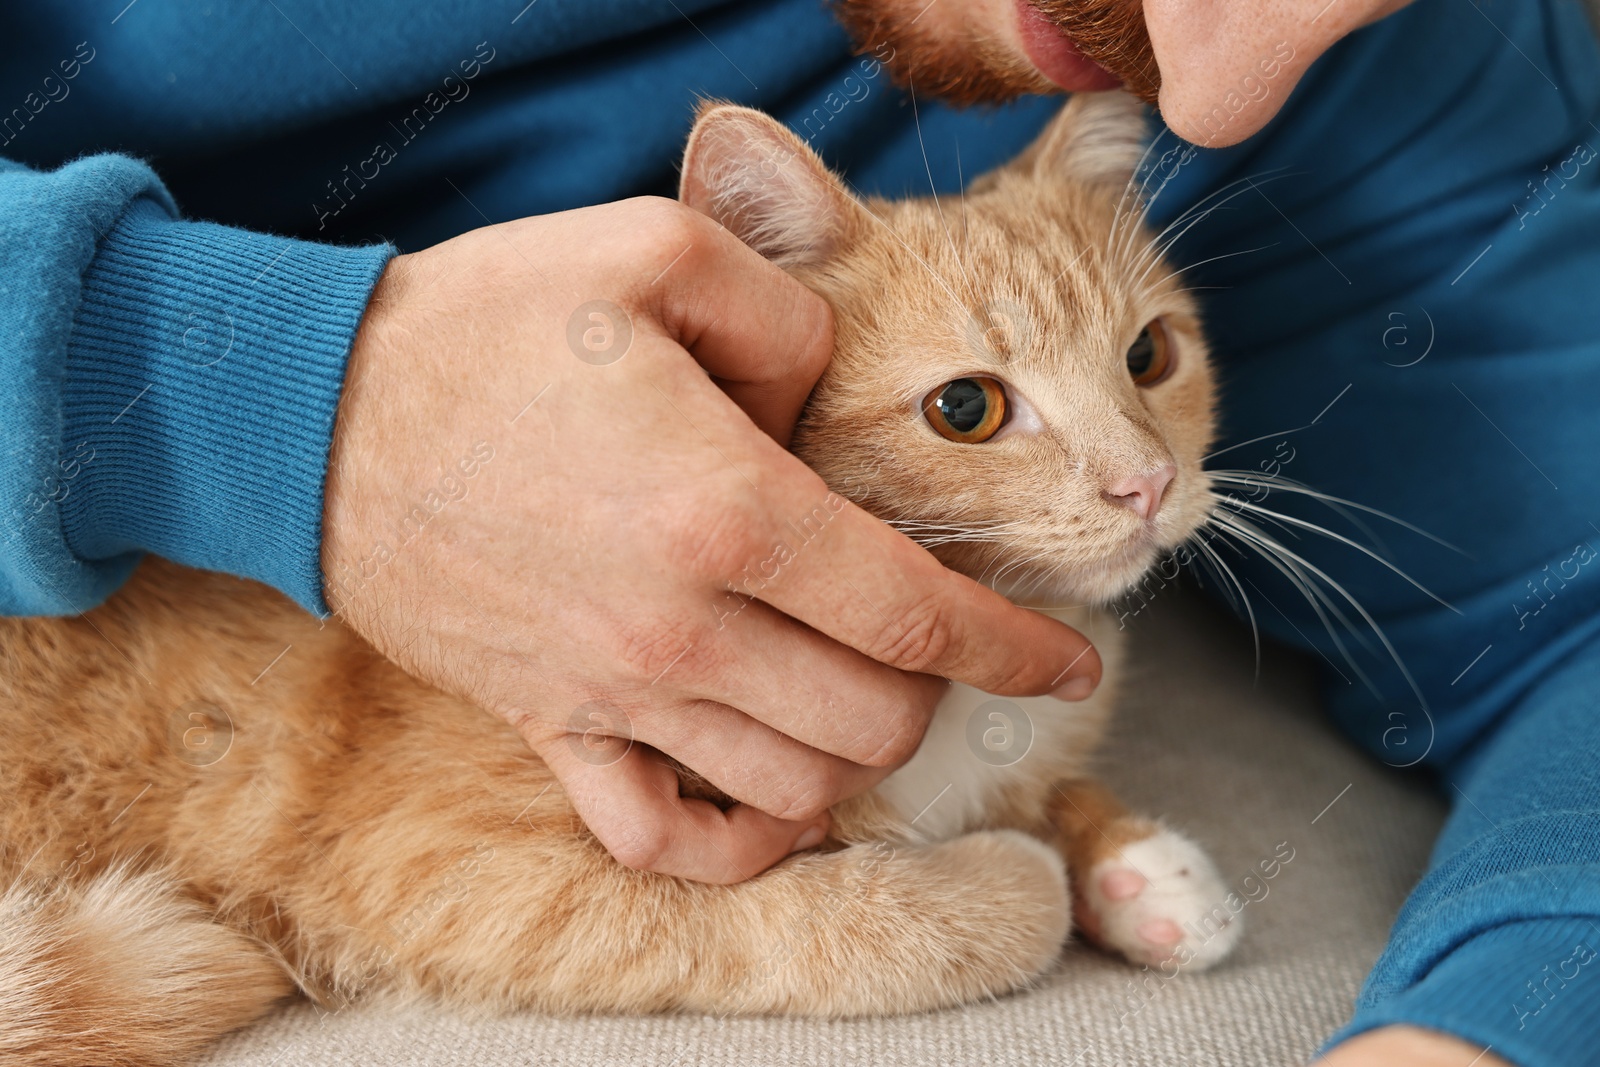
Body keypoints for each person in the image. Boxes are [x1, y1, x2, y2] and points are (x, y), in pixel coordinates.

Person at [1, 2, 1595, 1064]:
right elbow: (404, 869)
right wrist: (274, 391)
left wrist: (1473, 1037)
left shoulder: (1323, 61)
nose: (1222, 95)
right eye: (973, 411)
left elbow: (1576, 612)